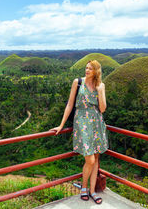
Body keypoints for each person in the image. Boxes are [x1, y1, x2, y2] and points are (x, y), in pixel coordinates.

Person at [51, 60, 108, 205]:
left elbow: (102, 109)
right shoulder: (78, 82)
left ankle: (92, 191)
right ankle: (84, 188)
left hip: (96, 122)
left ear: (96, 71)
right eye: (86, 67)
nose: (87, 70)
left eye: (90, 68)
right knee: (90, 159)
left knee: (96, 158)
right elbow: (70, 104)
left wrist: (100, 90)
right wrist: (61, 124)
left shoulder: (100, 86)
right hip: (82, 122)